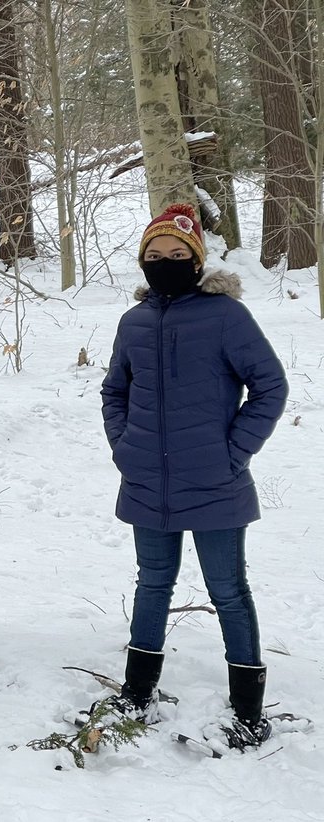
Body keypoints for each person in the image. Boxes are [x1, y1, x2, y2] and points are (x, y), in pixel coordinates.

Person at [99, 203, 288, 748]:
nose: (164, 262)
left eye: (177, 255)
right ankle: (137, 692)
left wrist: (234, 454)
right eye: (154, 255)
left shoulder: (226, 316)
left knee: (228, 589)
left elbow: (269, 388)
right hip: (146, 481)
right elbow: (115, 391)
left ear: (197, 259)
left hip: (215, 481)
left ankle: (248, 708)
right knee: (152, 583)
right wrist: (124, 446)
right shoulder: (133, 321)